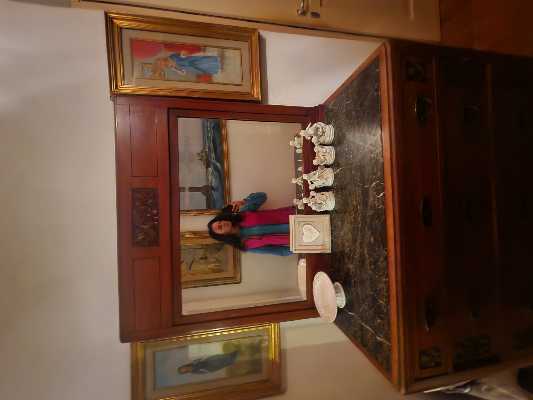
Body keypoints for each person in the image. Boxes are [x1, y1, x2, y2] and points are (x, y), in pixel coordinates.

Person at [207, 192, 293, 256]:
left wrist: (244, 201)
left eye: (220, 221)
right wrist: (297, 248)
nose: (222, 224)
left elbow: (262, 196)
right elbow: (278, 251)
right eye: (220, 227)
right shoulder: (245, 245)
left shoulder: (243, 214)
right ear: (223, 235)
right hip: (297, 236)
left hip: (293, 215)